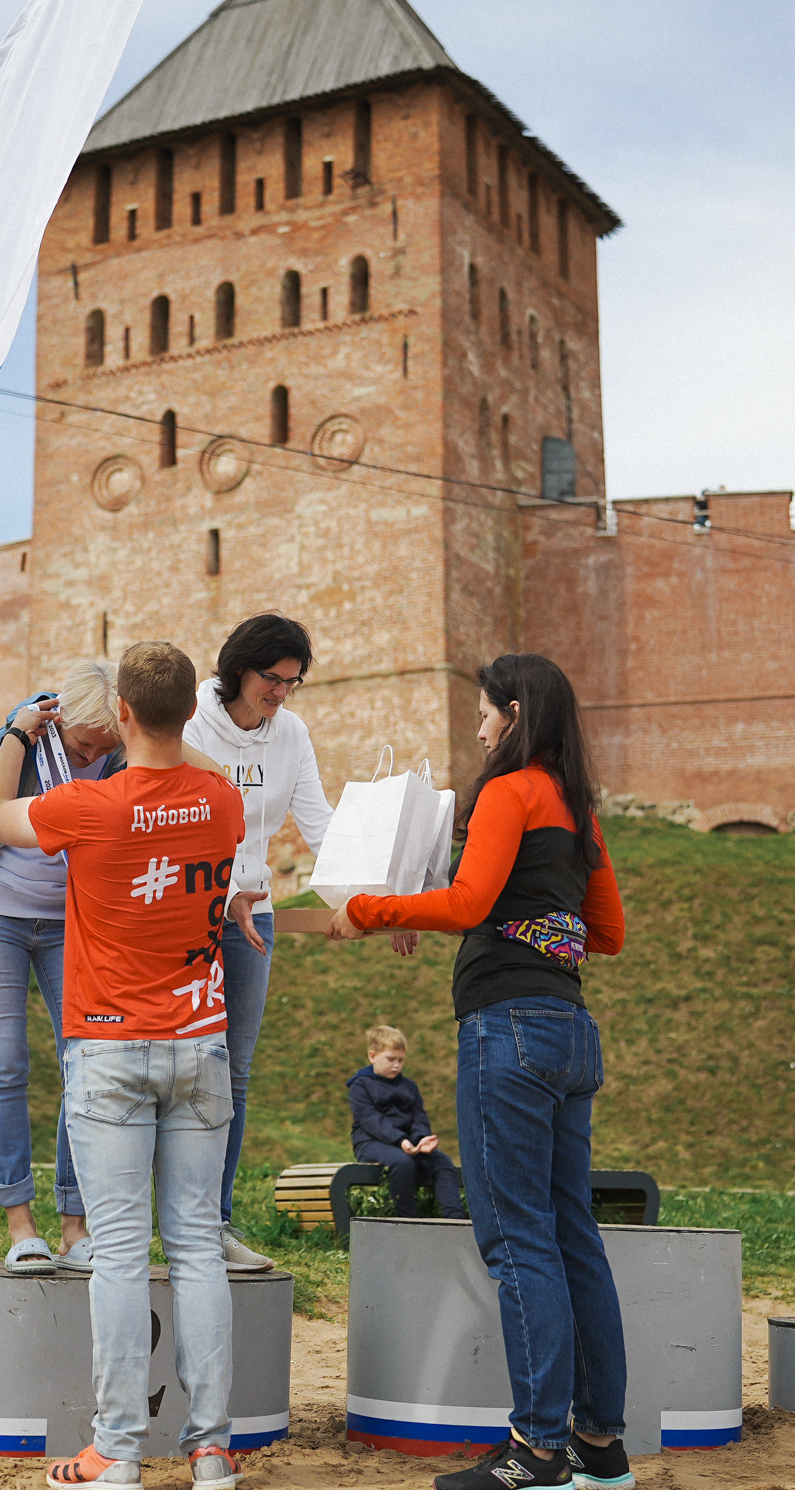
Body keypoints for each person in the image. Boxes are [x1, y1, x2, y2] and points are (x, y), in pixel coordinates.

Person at [329, 653, 630, 1490]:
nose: (480, 725)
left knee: (517, 1237)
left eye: (486, 711)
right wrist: (537, 919)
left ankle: (537, 1451)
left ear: (513, 714)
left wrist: (368, 909)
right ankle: (599, 1446)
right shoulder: (578, 807)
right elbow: (606, 933)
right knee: (572, 1236)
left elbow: (468, 903)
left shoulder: (510, 791)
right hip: (570, 1030)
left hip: (509, 1031)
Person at [0, 641, 249, 1489]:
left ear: (120, 714)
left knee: (122, 1254)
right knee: (197, 1249)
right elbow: (203, 770)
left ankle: (117, 1452)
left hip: (109, 1048)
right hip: (201, 1043)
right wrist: (169, 735)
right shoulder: (221, 801)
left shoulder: (87, 805)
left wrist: (18, 733)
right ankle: (211, 1451)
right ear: (187, 714)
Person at [0, 662, 125, 1275]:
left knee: (84, 1064)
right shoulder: (18, 742)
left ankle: (75, 1226)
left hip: (70, 926)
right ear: (60, 722)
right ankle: (20, 1225)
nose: (93, 755)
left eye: (105, 744)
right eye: (83, 744)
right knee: (5, 1062)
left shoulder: (117, 757)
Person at [181, 613, 337, 1271]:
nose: (280, 693)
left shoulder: (291, 733)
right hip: (188, 909)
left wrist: (370, 903)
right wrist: (220, 896)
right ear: (239, 669)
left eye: (291, 682)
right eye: (272, 678)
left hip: (256, 916)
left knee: (233, 1072)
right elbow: (177, 823)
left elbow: (320, 825)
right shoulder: (191, 722)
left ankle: (212, 1223)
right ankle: (131, 1219)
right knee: (173, 1063)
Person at [347, 1024, 463, 1219]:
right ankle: (407, 1220)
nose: (396, 1065)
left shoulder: (409, 1087)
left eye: (400, 1060)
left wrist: (421, 1140)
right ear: (373, 1056)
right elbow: (371, 1120)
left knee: (442, 1162)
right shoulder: (360, 1085)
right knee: (402, 1162)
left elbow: (419, 1118)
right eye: (391, 1059)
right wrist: (400, 1140)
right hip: (371, 1143)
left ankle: (455, 1219)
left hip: (408, 1144)